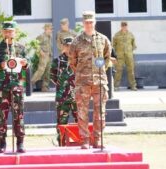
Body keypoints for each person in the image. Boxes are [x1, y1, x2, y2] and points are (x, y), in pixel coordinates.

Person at [69, 11, 112, 149]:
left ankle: (98, 139)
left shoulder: (103, 39)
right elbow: (72, 62)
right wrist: (82, 74)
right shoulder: (76, 41)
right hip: (83, 82)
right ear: (83, 23)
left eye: (91, 22)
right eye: (86, 22)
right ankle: (85, 140)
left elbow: (107, 58)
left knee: (100, 113)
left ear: (95, 22)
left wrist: (99, 71)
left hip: (99, 82)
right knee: (82, 112)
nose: (89, 24)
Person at [0, 21, 28, 153]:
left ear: (15, 32)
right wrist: (0, 65)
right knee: (1, 116)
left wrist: (25, 63)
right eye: (6, 31)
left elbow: (28, 65)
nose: (8, 33)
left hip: (17, 87)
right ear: (2, 32)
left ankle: (20, 143)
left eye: (11, 31)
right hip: (2, 88)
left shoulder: (21, 48)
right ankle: (2, 143)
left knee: (19, 115)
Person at [50, 37, 78, 146]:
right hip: (62, 97)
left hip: (77, 96)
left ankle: (79, 141)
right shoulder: (57, 61)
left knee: (79, 120)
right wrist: (63, 85)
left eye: (71, 46)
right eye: (67, 46)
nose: (69, 48)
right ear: (63, 47)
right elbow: (53, 76)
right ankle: (61, 143)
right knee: (61, 122)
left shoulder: (78, 59)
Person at [113, 21, 137, 91]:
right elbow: (113, 45)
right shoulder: (116, 35)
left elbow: (134, 45)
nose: (124, 27)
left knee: (131, 71)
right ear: (121, 26)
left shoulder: (131, 35)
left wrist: (129, 51)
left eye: (125, 25)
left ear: (127, 26)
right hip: (120, 56)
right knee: (118, 71)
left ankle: (133, 86)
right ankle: (116, 86)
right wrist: (115, 54)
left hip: (129, 56)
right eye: (123, 25)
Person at [31, 23, 53, 92]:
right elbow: (35, 44)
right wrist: (40, 52)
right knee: (41, 70)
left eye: (51, 29)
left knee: (47, 71)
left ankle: (45, 87)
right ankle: (31, 82)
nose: (51, 30)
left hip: (49, 55)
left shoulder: (49, 36)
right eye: (50, 29)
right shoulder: (41, 36)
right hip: (43, 56)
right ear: (46, 29)